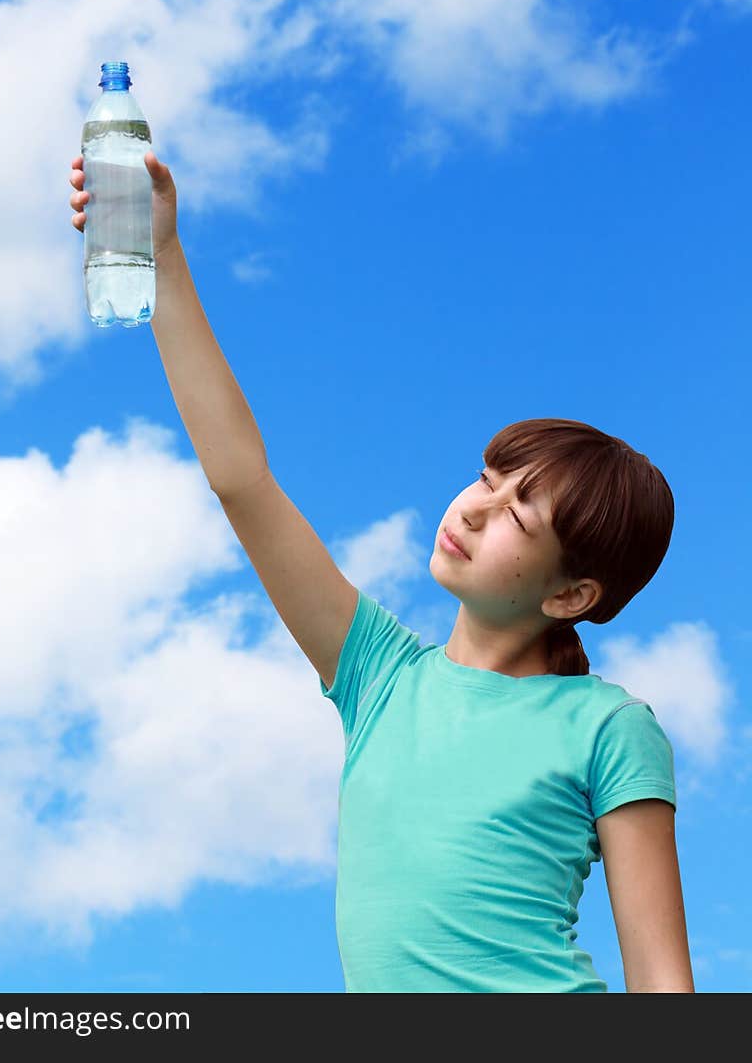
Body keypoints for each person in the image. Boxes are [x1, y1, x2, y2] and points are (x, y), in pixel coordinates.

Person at [68, 151, 695, 994]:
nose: (472, 508)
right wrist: (162, 255)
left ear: (572, 594)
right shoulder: (378, 676)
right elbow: (240, 481)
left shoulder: (609, 728)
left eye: (517, 514)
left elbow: (663, 983)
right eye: (485, 477)